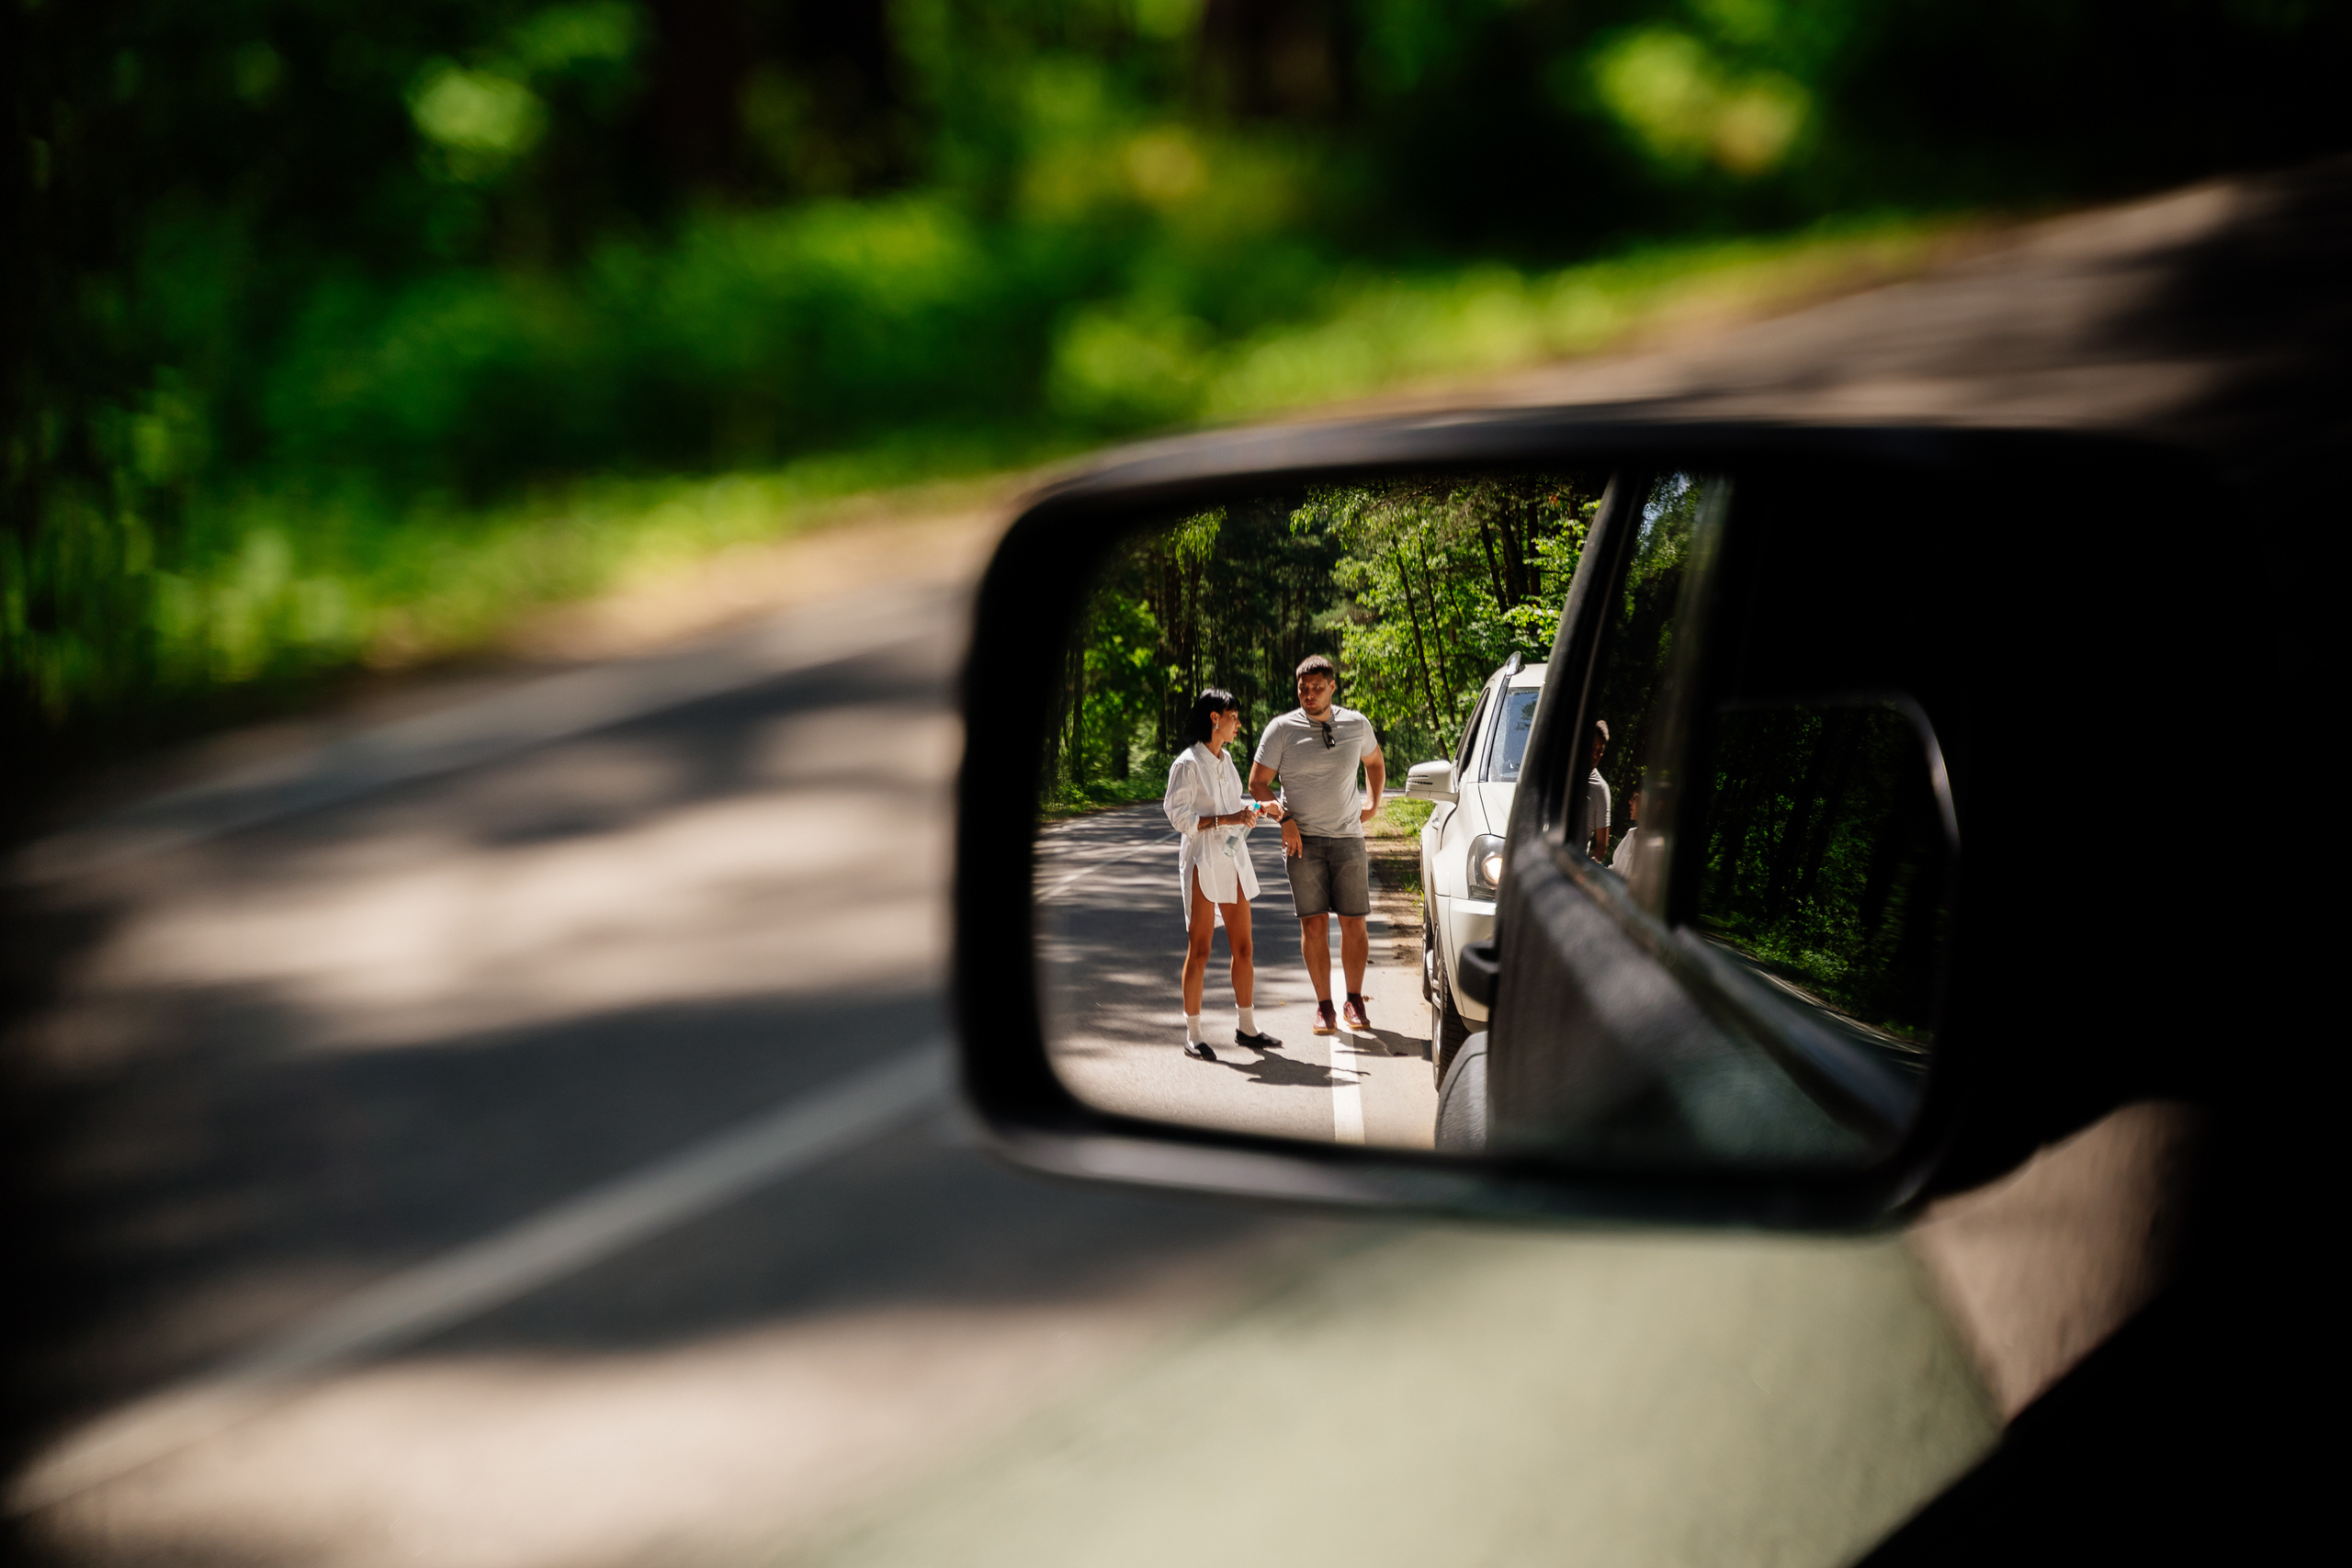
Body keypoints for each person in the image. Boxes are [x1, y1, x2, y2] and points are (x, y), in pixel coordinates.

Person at [1248, 655, 1385, 1036]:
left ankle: (1353, 1000)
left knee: (1354, 923)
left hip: (1348, 839)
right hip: (1302, 843)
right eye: (1303, 689)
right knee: (1314, 926)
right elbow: (1257, 784)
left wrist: (1373, 804)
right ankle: (1324, 1006)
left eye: (1316, 688)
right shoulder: (1281, 730)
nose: (1308, 695)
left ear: (1332, 687)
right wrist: (1284, 820)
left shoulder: (1357, 724)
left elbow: (1374, 762)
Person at [1162, 688, 1284, 1063]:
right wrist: (1227, 819)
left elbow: (1234, 810)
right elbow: (1179, 818)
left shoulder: (1226, 760)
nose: (1238, 724)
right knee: (1199, 949)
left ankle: (1246, 1028)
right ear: (1215, 718)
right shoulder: (1187, 764)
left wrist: (1258, 809)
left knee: (1243, 947)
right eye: (1234, 716)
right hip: (1202, 860)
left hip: (1232, 858)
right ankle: (1193, 1035)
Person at [1586, 719, 1611, 863]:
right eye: (1593, 748)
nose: (1595, 755)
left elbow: (1602, 846)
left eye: (1600, 751)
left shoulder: (1600, 789)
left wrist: (1586, 869)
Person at [1611, 783, 1641, 877]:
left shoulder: (1658, 846)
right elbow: (1615, 872)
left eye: (1636, 797)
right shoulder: (1631, 835)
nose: (1630, 801)